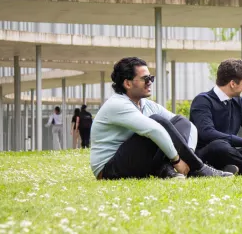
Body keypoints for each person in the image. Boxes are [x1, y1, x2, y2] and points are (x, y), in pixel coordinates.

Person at [91, 57, 230, 180]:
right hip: (109, 169)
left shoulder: (147, 104)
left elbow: (188, 126)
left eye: (151, 78)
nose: (150, 82)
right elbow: (154, 129)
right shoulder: (118, 104)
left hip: (136, 161)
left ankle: (174, 170)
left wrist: (188, 156)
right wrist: (177, 161)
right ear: (127, 83)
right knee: (157, 122)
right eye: (145, 79)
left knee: (180, 121)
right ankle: (199, 168)